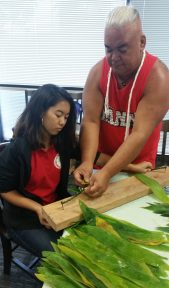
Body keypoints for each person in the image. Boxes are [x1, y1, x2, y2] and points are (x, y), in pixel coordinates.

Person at [74, 5, 169, 198]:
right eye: (108, 49)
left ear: (141, 42)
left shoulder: (159, 79)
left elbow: (139, 134)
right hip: (99, 164)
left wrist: (109, 172)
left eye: (122, 49)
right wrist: (86, 162)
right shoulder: (97, 73)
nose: (114, 58)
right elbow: (91, 121)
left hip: (139, 169)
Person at [0, 84, 77, 257]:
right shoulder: (17, 149)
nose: (63, 122)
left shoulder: (62, 142)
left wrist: (131, 166)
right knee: (62, 257)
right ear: (41, 111)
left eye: (66, 116)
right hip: (24, 219)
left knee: (85, 241)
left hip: (56, 207)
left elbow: (95, 156)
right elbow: (5, 190)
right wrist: (38, 208)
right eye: (58, 115)